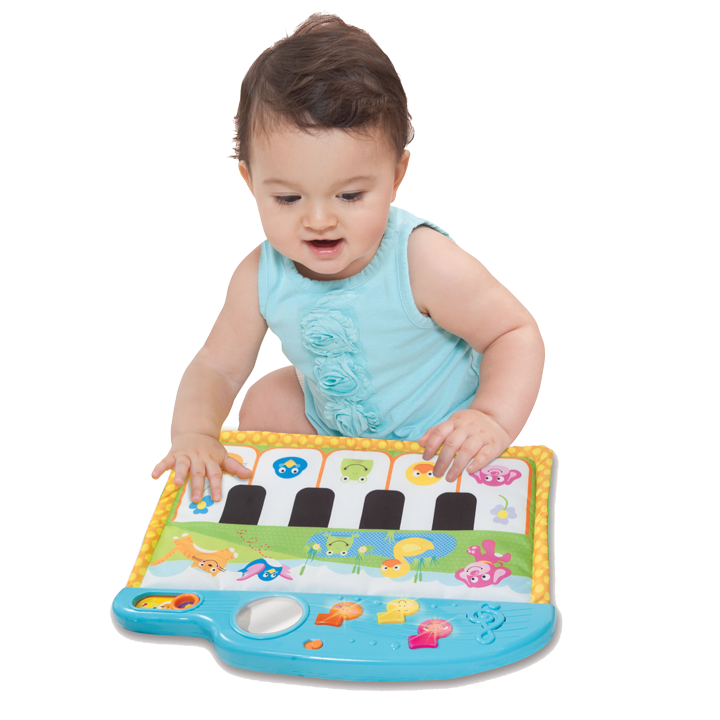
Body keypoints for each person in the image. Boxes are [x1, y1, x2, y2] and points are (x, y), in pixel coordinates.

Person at [152, 13, 544, 506]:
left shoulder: (422, 260)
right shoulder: (259, 276)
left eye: (351, 196)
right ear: (251, 182)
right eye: (288, 199)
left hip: (440, 434)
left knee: (457, 468)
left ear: (395, 175)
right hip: (336, 428)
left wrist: (489, 416)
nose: (319, 220)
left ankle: (431, 457)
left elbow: (513, 333)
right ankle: (328, 493)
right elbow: (217, 367)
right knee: (266, 400)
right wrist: (194, 432)